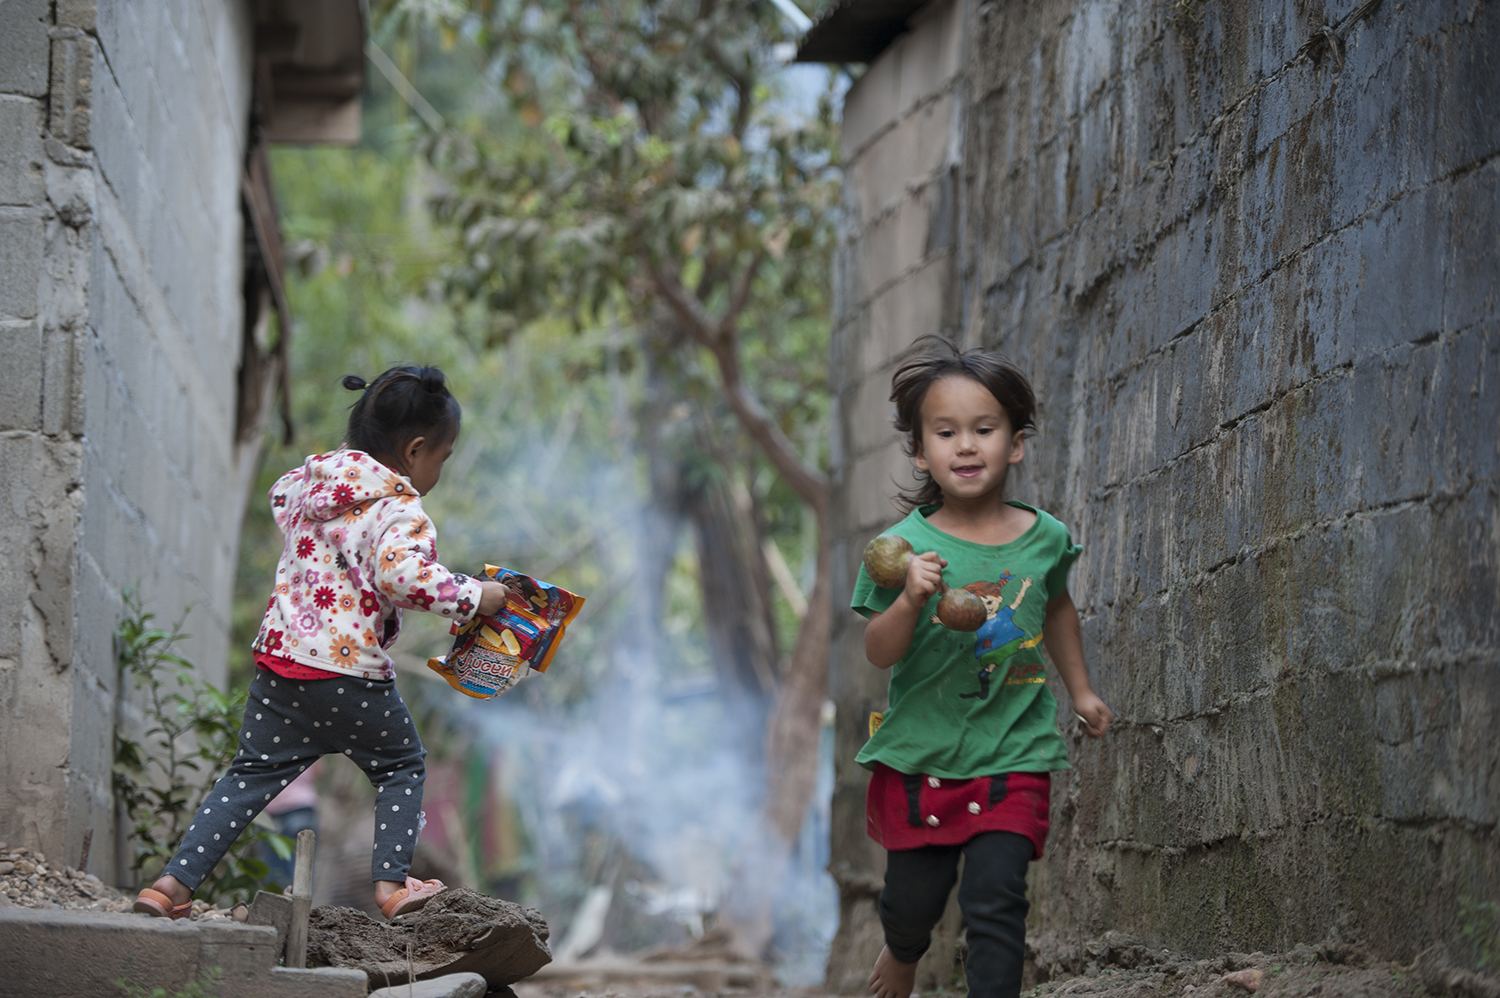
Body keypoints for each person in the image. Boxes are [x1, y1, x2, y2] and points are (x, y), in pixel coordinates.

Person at [133, 365, 508, 921]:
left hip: (280, 667)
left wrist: (347, 458)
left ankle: (169, 886)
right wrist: (477, 596)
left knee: (248, 775)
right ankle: (392, 887)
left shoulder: (309, 487)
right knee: (401, 765)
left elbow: (281, 496)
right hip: (347, 673)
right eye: (442, 459)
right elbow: (401, 577)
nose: (438, 472)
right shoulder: (400, 508)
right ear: (416, 449)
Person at [853, 337, 1113, 998]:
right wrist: (911, 597)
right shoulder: (901, 549)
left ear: (1016, 444)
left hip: (1013, 750)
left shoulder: (1046, 537)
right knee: (915, 899)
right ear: (921, 451)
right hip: (925, 754)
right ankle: (904, 951)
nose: (965, 445)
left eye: (984, 429)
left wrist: (1080, 691)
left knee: (997, 902)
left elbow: (1055, 607)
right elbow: (879, 651)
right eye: (946, 432)